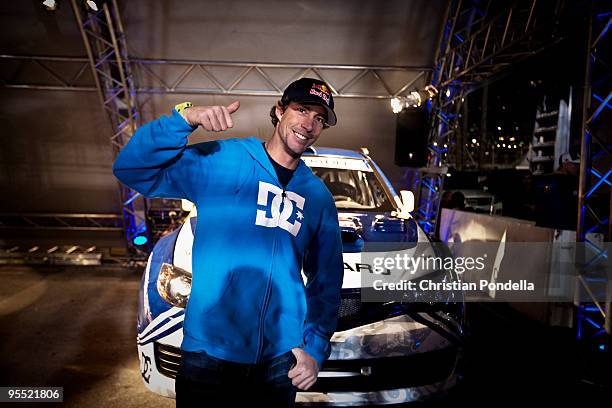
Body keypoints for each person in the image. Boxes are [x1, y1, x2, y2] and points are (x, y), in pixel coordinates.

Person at [113, 78, 344, 407]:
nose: (308, 124)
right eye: (301, 110)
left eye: (319, 118)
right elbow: (132, 168)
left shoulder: (318, 197)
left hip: (280, 361)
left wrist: (315, 349)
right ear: (279, 111)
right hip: (209, 355)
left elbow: (327, 280)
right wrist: (184, 119)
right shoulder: (223, 159)